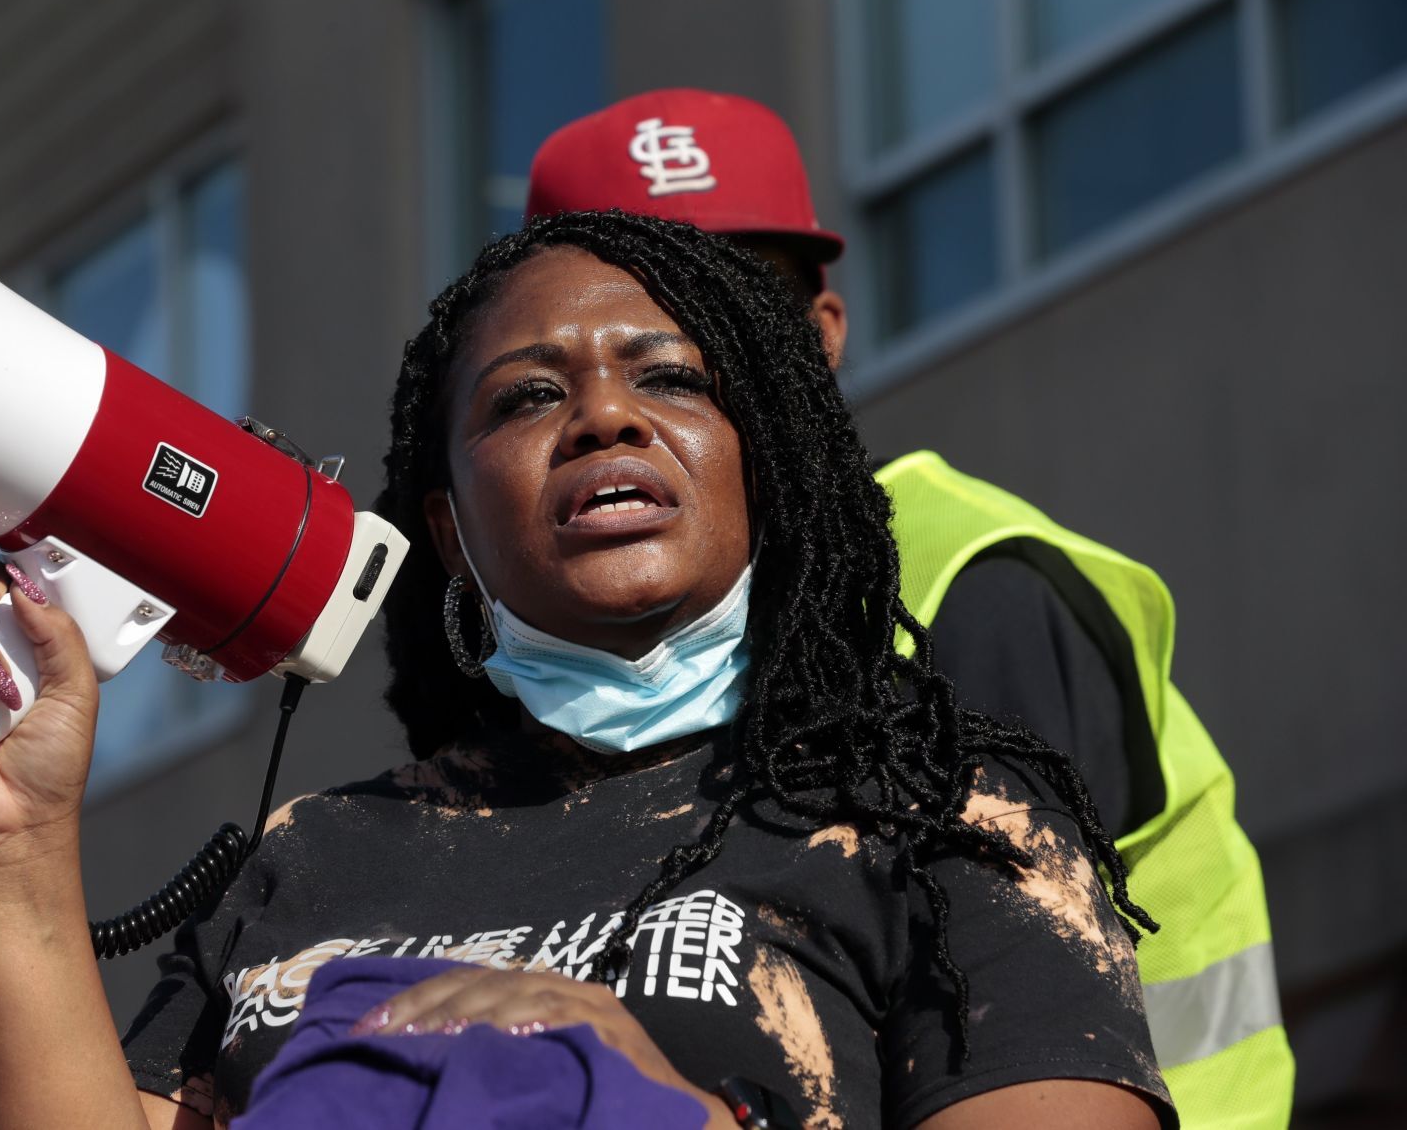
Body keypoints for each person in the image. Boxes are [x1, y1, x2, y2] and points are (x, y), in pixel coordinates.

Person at [0, 211, 1177, 1128]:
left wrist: (643, 1102)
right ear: (448, 524)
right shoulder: (306, 855)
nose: (604, 415)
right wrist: (14, 846)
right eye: (522, 398)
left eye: (670, 377)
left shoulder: (945, 812)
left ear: (762, 466)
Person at [526, 89, 1290, 1128]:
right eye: (643, 320)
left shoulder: (968, 591)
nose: (692, 359)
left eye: (738, 307)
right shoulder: (584, 653)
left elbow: (999, 1027)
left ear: (823, 332)